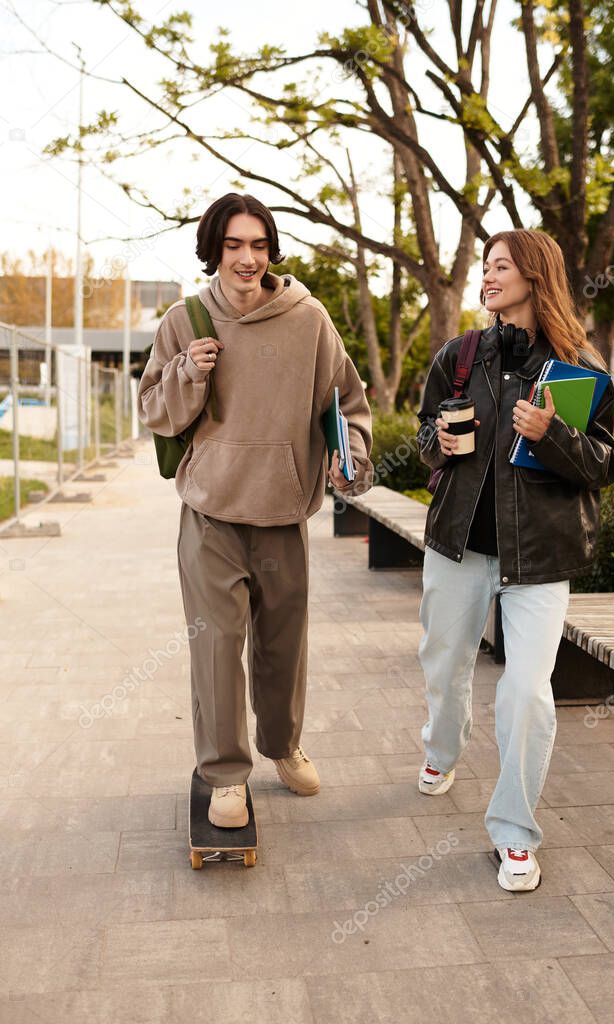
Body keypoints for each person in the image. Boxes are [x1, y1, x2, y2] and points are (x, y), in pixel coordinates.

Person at [138, 193, 372, 827]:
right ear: (213, 249)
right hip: (210, 514)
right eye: (234, 245)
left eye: (259, 245)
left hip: (283, 512)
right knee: (217, 649)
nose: (248, 258)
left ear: (272, 250)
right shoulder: (183, 320)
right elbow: (154, 410)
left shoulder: (309, 319)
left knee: (283, 646)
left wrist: (350, 458)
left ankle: (283, 745)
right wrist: (187, 371)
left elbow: (347, 403)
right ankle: (224, 775)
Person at [416, 228, 614, 891]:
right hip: (458, 546)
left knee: (527, 693)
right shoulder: (459, 355)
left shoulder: (579, 366)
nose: (487, 276)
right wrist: (440, 441)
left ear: (535, 275)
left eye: (500, 266)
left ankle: (514, 832)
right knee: (443, 663)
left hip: (539, 559)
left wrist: (552, 434)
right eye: (484, 265)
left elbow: (606, 463)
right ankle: (442, 747)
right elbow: (423, 436)